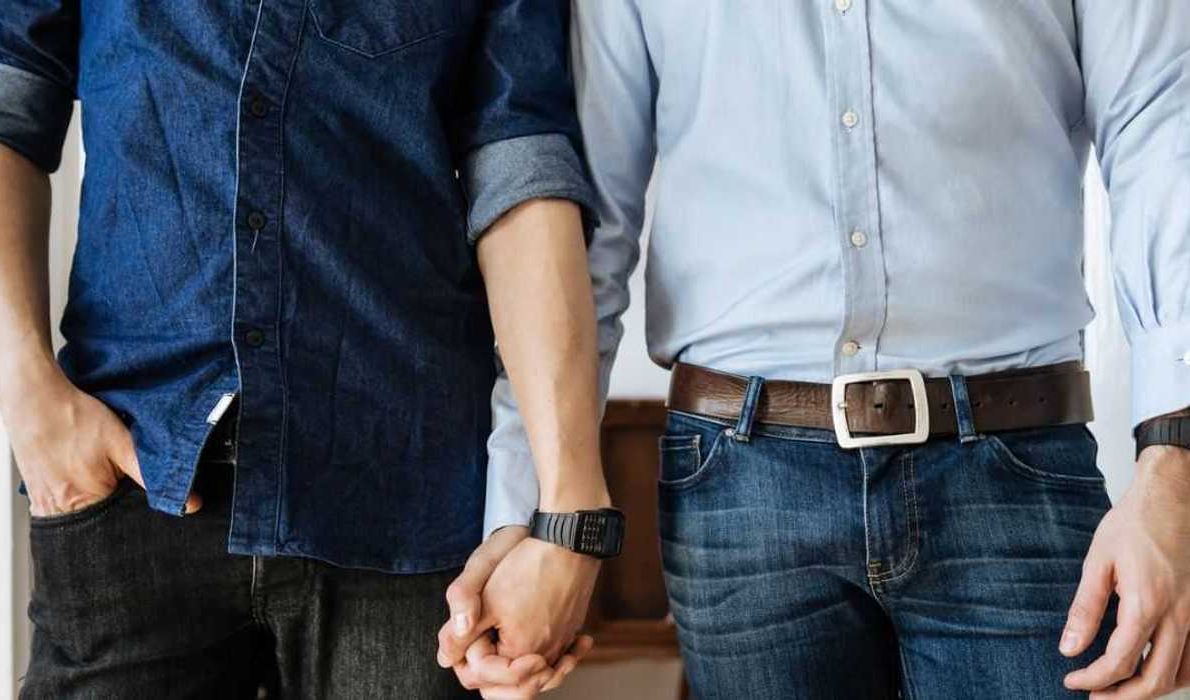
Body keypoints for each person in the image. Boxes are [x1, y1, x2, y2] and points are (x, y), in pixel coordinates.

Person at [443, 2, 1190, 698]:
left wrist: (1175, 467)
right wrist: (532, 512)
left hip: (1015, 466)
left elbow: (1163, 121)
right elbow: (585, 231)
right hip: (736, 479)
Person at [0, 1, 609, 697]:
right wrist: (27, 394)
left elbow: (523, 177)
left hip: (403, 495)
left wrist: (569, 518)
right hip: (133, 477)